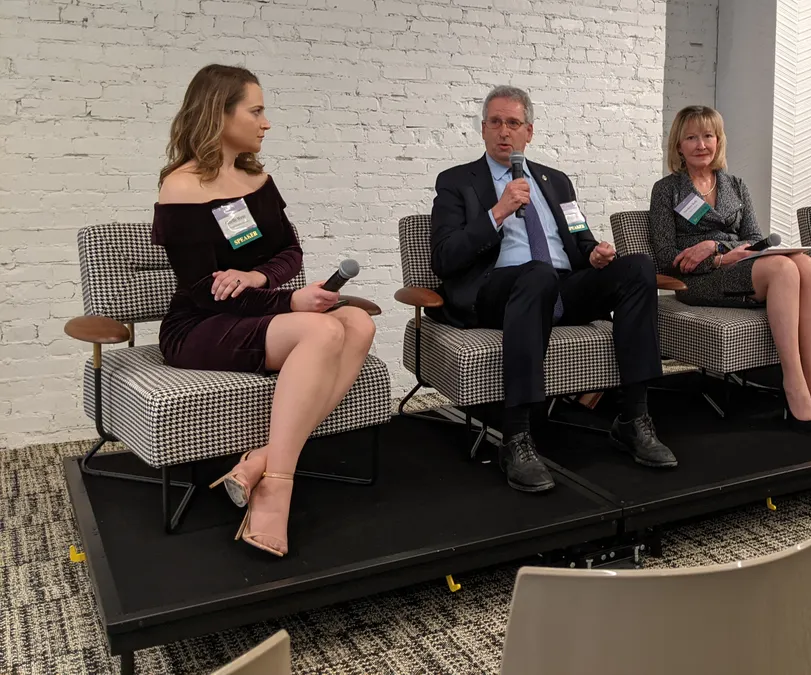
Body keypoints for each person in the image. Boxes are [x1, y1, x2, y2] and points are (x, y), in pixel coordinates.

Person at [153, 64, 378, 556]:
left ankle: (258, 460)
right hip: (199, 325)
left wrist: (260, 277)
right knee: (322, 334)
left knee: (357, 322)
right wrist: (288, 300)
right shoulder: (181, 187)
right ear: (220, 113)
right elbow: (200, 292)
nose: (265, 122)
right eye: (256, 111)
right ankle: (277, 485)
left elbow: (290, 253)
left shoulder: (258, 178)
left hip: (254, 312)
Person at [429, 85, 676, 493]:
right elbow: (445, 258)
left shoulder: (556, 182)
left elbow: (579, 239)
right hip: (498, 291)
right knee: (537, 273)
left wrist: (594, 253)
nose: (503, 131)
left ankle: (633, 419)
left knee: (637, 268)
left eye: (513, 123)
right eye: (495, 122)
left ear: (529, 132)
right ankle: (517, 437)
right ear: (483, 130)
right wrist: (497, 211)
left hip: (560, 286)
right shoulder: (458, 182)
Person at [649, 106, 811, 435]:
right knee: (782, 270)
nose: (701, 144)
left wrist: (725, 248)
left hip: (738, 264)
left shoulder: (736, 184)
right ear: (678, 145)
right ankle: (794, 386)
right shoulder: (667, 189)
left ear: (719, 142)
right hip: (697, 280)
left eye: (708, 136)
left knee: (804, 263)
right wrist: (714, 253)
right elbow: (664, 256)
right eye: (691, 137)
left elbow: (752, 237)